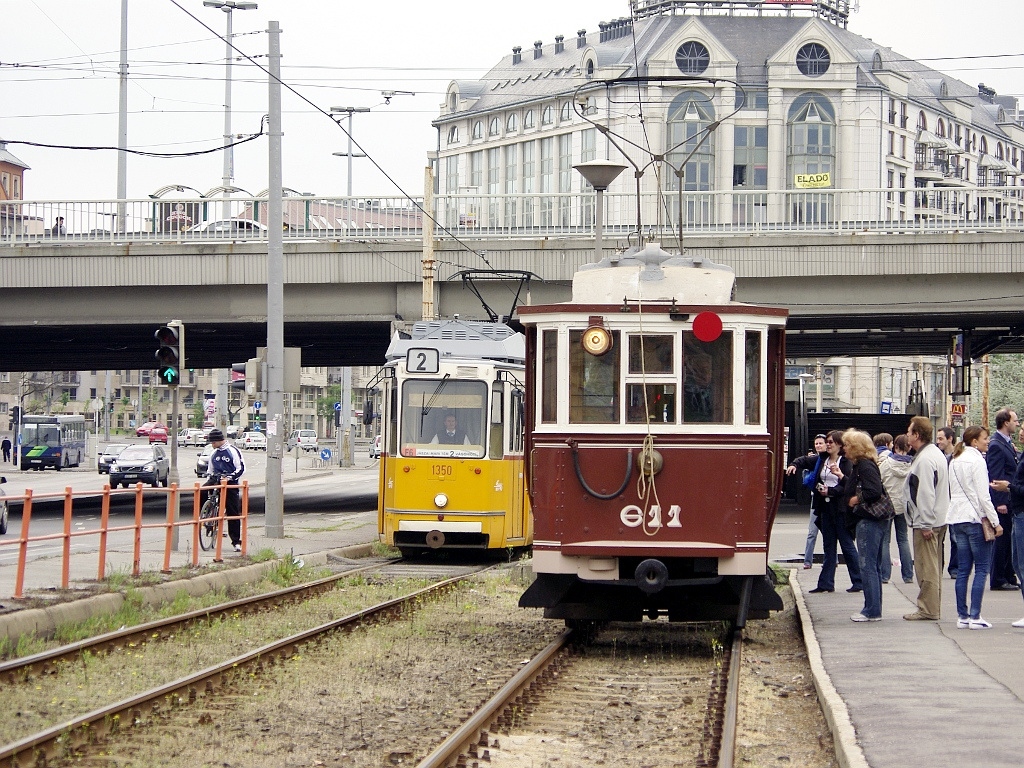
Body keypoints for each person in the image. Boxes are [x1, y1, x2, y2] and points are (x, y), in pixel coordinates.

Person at [947, 426, 1002, 629]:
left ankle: (962, 616)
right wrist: (995, 522)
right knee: (981, 568)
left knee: (963, 569)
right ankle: (975, 616)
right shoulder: (977, 461)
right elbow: (983, 496)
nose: (988, 441)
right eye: (985, 438)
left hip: (957, 517)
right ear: (974, 441)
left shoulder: (955, 460)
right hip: (975, 518)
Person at [903, 416, 950, 621]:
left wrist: (924, 523)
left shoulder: (924, 459)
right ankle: (931, 606)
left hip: (927, 521)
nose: (907, 435)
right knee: (934, 565)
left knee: (926, 567)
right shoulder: (934, 454)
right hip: (938, 518)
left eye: (909, 431)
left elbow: (925, 494)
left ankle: (928, 609)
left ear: (917, 435)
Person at [843, 429, 892, 622]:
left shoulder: (864, 465)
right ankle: (873, 608)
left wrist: (855, 499)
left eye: (847, 445)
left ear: (856, 448)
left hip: (869, 520)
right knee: (873, 566)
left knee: (868, 565)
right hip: (874, 521)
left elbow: (874, 491)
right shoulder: (865, 464)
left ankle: (871, 610)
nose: (844, 448)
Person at [807, 430, 862, 594]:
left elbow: (848, 484)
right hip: (825, 507)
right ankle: (825, 583)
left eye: (831, 442)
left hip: (840, 507)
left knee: (846, 544)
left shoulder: (845, 462)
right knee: (828, 545)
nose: (828, 444)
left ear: (839, 444)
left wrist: (831, 491)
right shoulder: (823, 459)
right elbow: (809, 465)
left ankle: (859, 581)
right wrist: (795, 464)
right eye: (827, 442)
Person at [986, 407, 1019, 590]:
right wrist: (999, 502)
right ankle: (999, 578)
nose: (1017, 423)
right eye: (1015, 420)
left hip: (1009, 498)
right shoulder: (997, 445)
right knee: (1003, 541)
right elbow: (996, 475)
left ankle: (1008, 575)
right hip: (1003, 501)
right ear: (1005, 422)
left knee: (1008, 542)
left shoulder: (1006, 442)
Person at [785, 433, 827, 569]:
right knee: (812, 531)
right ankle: (808, 561)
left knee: (828, 532)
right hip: (817, 498)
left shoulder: (833, 459)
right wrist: (794, 465)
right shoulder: (816, 459)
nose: (819, 446)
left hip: (829, 499)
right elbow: (802, 460)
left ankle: (830, 560)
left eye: (821, 443)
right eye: (816, 444)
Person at [878, 433, 914, 584]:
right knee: (903, 539)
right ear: (909, 447)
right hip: (903, 506)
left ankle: (885, 575)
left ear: (895, 447)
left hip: (887, 505)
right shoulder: (913, 466)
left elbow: (880, 482)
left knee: (885, 540)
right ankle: (908, 575)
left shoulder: (886, 464)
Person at [204, 429, 245, 552]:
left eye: (213, 442)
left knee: (232, 511)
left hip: (230, 482)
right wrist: (210, 477)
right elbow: (210, 470)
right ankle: (206, 515)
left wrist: (230, 477)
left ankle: (236, 542)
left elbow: (241, 468)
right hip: (216, 479)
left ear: (218, 440)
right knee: (201, 491)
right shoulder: (214, 453)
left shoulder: (232, 451)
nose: (212, 445)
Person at [937, 426, 959, 578]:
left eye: (941, 439)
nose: (938, 442)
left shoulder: (957, 457)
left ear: (950, 438)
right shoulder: (940, 458)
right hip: (943, 501)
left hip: (955, 501)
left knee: (955, 537)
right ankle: (940, 566)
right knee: (941, 537)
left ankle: (955, 568)